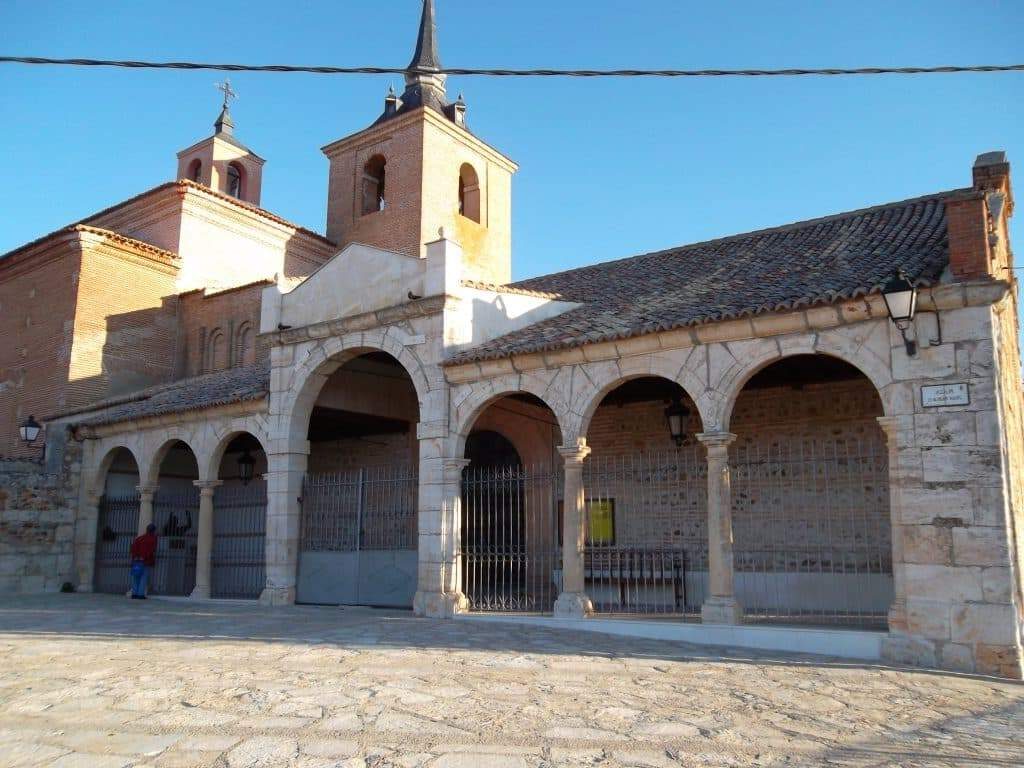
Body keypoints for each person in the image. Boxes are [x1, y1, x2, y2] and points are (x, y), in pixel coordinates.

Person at [129, 523, 158, 599]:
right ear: (153, 531)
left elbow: (133, 549)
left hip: (136, 561)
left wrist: (135, 557)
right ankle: (140, 594)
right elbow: (152, 550)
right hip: (146, 561)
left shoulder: (139, 538)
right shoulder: (153, 539)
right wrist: (144, 557)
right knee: (143, 578)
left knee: (136, 577)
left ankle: (134, 593)